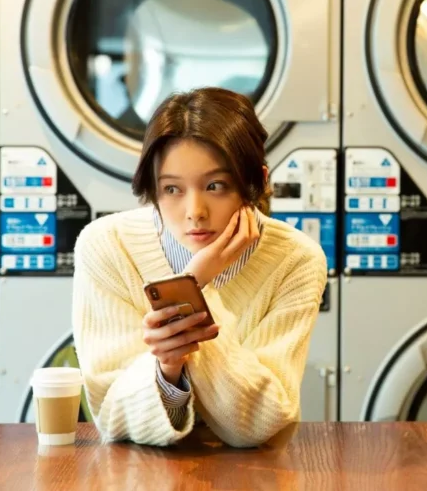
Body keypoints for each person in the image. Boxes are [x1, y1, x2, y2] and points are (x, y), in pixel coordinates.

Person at [71, 87, 327, 447]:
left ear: (258, 181)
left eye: (215, 185)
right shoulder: (108, 247)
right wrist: (167, 370)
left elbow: (259, 423)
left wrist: (195, 284)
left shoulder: (296, 260)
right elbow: (113, 418)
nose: (195, 211)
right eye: (172, 189)